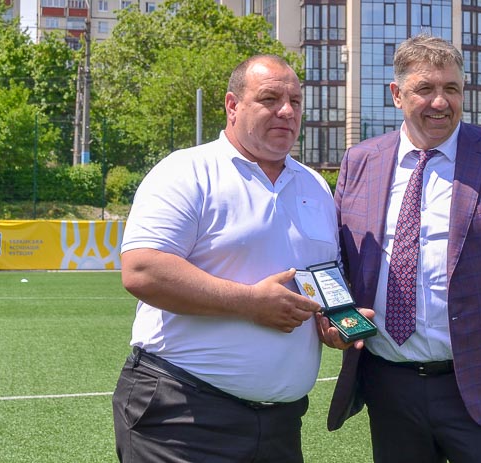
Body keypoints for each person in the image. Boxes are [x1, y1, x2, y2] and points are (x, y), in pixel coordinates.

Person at [322, 35, 481, 463]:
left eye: (451, 89)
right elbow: (340, 262)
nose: (441, 102)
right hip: (389, 385)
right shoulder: (360, 160)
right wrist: (338, 319)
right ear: (397, 95)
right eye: (426, 89)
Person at [112, 55, 341, 463]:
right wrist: (250, 303)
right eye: (270, 98)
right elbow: (143, 269)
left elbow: (320, 277)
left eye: (295, 101)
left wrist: (332, 319)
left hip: (280, 425)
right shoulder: (185, 171)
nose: (286, 111)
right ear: (232, 106)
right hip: (181, 417)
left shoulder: (316, 186)